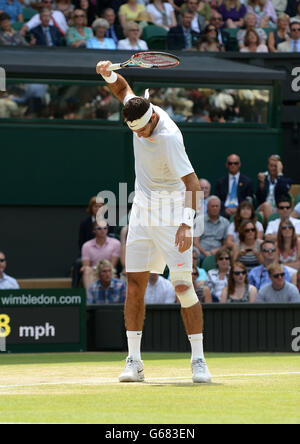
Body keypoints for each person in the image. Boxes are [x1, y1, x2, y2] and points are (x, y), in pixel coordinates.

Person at [96, 58, 211, 384]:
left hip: (174, 214)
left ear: (153, 120)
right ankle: (134, 360)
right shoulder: (138, 109)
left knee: (182, 286)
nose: (141, 137)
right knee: (134, 285)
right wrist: (109, 74)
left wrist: (187, 225)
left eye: (144, 131)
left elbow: (193, 185)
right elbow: (123, 89)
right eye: (135, 132)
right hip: (143, 212)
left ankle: (198, 361)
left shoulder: (169, 138)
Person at [81, 220, 121, 292]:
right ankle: (89, 299)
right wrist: (97, 271)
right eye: (99, 228)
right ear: (94, 231)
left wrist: (103, 271)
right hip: (94, 273)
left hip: (109, 271)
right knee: (86, 270)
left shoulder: (116, 243)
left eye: (105, 228)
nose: (103, 230)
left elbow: (112, 266)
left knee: (108, 272)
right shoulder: (86, 246)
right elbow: (86, 266)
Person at [214, 153, 254, 219]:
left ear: (239, 164)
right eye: (230, 163)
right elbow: (217, 199)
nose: (233, 165)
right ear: (226, 165)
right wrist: (225, 209)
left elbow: (248, 199)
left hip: (241, 210)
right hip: (223, 211)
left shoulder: (247, 182)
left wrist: (238, 208)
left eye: (236, 163)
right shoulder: (220, 182)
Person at [256, 155, 293, 223]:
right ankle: (274, 227)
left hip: (278, 208)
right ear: (268, 166)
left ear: (280, 167)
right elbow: (259, 198)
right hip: (263, 206)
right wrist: (262, 184)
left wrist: (279, 173)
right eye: (271, 165)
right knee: (266, 205)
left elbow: (283, 189)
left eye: (275, 166)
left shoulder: (285, 180)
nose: (273, 168)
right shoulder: (264, 178)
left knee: (262, 215)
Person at [193, 196, 230, 260]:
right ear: (207, 208)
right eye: (212, 206)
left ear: (220, 208)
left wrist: (218, 250)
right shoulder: (199, 220)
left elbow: (226, 244)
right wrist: (205, 253)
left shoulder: (225, 222)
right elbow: (195, 242)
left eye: (216, 206)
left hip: (219, 252)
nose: (215, 208)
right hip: (201, 252)